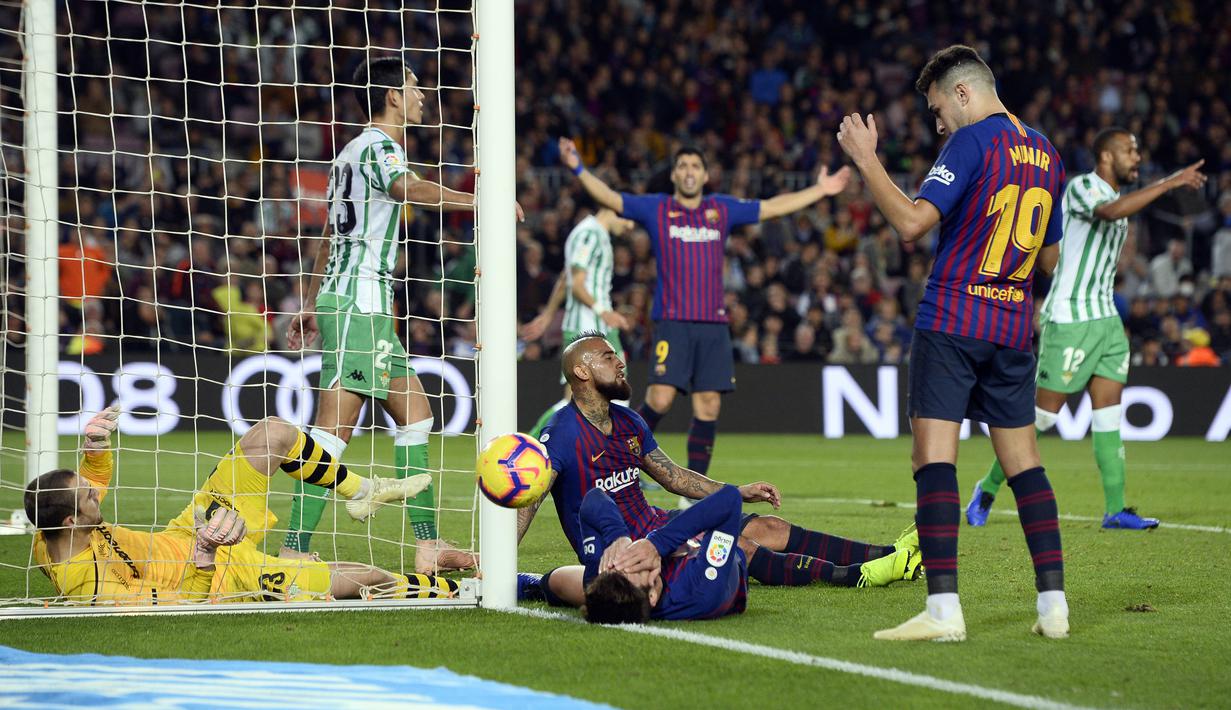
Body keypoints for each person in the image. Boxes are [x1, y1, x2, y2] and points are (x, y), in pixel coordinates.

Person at [837, 45, 1068, 641]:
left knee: (933, 460)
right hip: (1012, 329)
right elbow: (1050, 259)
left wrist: (866, 160)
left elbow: (912, 223)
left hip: (953, 320)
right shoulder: (1047, 152)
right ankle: (1053, 608)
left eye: (939, 109)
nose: (939, 124)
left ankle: (943, 612)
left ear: (964, 93)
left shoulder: (971, 142)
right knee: (1024, 465)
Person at [283, 56, 520, 572]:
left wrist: (311, 301)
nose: (422, 96)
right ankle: (293, 550)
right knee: (332, 432)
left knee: (417, 416)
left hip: (356, 302)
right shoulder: (380, 148)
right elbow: (408, 189)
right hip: (358, 305)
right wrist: (480, 200)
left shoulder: (348, 153)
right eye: (415, 87)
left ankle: (428, 546)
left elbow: (329, 235)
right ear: (392, 96)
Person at [516, 333, 920, 607]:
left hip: (657, 524)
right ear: (582, 371)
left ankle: (890, 553)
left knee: (770, 528)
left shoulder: (629, 422)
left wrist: (737, 490)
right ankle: (857, 575)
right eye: (608, 357)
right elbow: (528, 500)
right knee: (740, 548)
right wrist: (496, 561)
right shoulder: (561, 434)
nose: (620, 362)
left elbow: (673, 476)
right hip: (625, 552)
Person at [558, 138, 850, 500]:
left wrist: (820, 190)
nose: (689, 171)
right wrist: (577, 167)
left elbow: (773, 206)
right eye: (682, 165)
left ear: (706, 175)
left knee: (709, 405)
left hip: (713, 325)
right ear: (674, 175)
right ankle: (616, 461)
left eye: (695, 166)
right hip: (673, 322)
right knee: (660, 399)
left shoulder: (720, 209)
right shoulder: (658, 208)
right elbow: (612, 198)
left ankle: (692, 495)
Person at [968, 129, 1206, 531]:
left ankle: (1116, 509)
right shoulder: (1082, 188)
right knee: (1044, 418)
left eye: (1137, 150)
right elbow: (1108, 213)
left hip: (1107, 321)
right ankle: (987, 488)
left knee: (1109, 416)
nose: (1137, 157)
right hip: (1070, 319)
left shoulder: (1119, 199)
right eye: (1129, 150)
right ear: (1106, 156)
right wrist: (1169, 183)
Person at [25, 407, 458, 605]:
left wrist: (95, 449)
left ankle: (362, 492)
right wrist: (205, 556)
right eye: (88, 495)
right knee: (367, 577)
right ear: (72, 520)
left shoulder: (52, 535)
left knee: (272, 434)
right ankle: (453, 590)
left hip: (189, 528)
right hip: (223, 575)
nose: (97, 492)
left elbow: (92, 485)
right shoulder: (90, 586)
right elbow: (184, 603)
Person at [521, 208, 637, 436]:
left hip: (601, 327)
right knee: (579, 400)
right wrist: (604, 312)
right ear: (612, 209)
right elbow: (576, 284)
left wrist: (548, 316)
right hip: (587, 327)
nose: (630, 226)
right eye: (629, 219)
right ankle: (531, 442)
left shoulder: (597, 234)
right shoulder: (589, 234)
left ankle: (605, 451)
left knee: (613, 392)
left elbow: (567, 277)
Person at [580, 485, 750, 623]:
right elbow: (730, 498)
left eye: (615, 566)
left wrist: (618, 537)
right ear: (652, 595)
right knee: (756, 545)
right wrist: (656, 543)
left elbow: (593, 498)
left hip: (666, 531)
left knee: (564, 584)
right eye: (631, 569)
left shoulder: (603, 581)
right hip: (724, 554)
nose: (625, 559)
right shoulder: (699, 590)